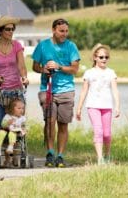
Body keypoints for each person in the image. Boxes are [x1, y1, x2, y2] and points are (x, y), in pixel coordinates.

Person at [32, 18, 80, 168]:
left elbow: (74, 69)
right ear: (53, 30)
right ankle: (50, 153)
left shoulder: (71, 47)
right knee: (49, 122)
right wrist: (43, 69)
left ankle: (60, 156)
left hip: (66, 90)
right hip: (47, 89)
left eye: (66, 31)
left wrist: (59, 66)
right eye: (61, 31)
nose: (64, 34)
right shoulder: (43, 46)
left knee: (63, 124)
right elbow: (35, 66)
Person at [76, 43, 120, 165]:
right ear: (95, 57)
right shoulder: (89, 73)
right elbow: (84, 91)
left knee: (107, 134)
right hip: (93, 106)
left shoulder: (111, 72)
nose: (104, 59)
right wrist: (79, 108)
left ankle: (107, 155)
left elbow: (115, 90)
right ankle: (100, 159)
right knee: (98, 131)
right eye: (101, 57)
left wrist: (117, 106)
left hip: (107, 106)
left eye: (106, 57)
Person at [0, 16, 29, 128]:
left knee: (17, 122)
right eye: (8, 29)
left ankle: (16, 144)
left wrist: (24, 77)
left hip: (16, 89)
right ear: (0, 31)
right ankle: (0, 144)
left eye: (12, 29)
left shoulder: (17, 45)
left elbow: (21, 66)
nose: (11, 32)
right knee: (0, 123)